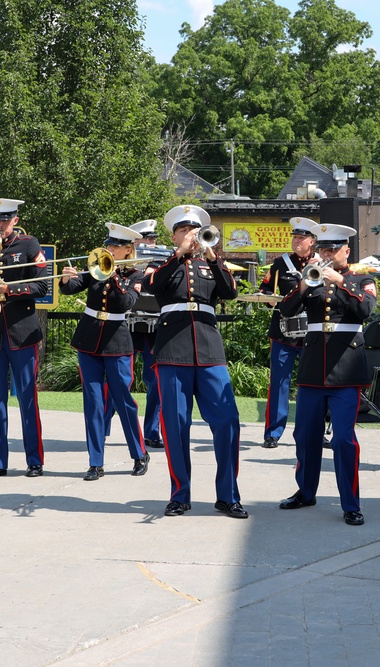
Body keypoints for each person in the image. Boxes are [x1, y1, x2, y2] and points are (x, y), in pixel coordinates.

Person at [146, 204, 246, 519]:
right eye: (183, 230)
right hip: (172, 350)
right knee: (175, 426)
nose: (190, 235)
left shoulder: (211, 263)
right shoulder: (160, 263)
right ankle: (180, 495)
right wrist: (177, 256)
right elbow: (151, 287)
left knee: (228, 422)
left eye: (194, 229)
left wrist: (214, 256)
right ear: (173, 235)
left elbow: (230, 292)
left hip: (209, 349)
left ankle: (228, 495)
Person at [276, 223, 376, 526]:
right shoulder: (311, 279)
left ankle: (351, 503)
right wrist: (305, 285)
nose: (327, 255)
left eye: (333, 249)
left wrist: (340, 281)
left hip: (345, 368)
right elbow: (286, 310)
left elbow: (366, 310)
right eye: (323, 249)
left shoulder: (362, 279)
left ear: (347, 250)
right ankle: (306, 492)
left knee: (344, 439)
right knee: (305, 435)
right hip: (313, 368)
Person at [60, 223, 149, 480]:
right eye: (108, 244)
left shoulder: (136, 275)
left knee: (123, 401)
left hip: (117, 341)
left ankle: (139, 453)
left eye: (114, 246)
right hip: (89, 340)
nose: (108, 249)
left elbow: (125, 302)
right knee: (94, 402)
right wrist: (67, 278)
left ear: (128, 250)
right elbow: (73, 287)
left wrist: (113, 276)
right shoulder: (97, 266)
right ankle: (95, 462)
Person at [0, 198, 48, 480]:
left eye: (5, 219)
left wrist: (8, 289)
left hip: (22, 333)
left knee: (28, 398)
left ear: (15, 219)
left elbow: (42, 285)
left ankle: (35, 461)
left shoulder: (29, 244)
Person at [259, 217, 318, 449]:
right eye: (295, 237)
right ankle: (273, 432)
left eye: (301, 238)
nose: (297, 241)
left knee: (313, 384)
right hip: (283, 332)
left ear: (312, 241)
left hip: (311, 334)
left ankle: (314, 431)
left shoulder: (322, 263)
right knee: (279, 383)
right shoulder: (280, 263)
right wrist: (269, 301)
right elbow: (265, 289)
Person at [128, 218, 165, 449]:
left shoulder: (163, 261)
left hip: (154, 328)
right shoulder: (126, 259)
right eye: (147, 239)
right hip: (128, 326)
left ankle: (152, 432)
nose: (151, 242)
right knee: (119, 379)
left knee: (154, 381)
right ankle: (105, 424)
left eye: (153, 239)